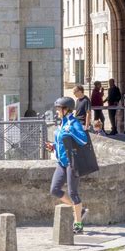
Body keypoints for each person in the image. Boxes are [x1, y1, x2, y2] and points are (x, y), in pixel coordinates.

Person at [46, 97, 88, 235]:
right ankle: (79, 211)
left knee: (73, 193)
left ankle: (78, 224)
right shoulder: (62, 122)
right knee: (54, 189)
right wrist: (53, 146)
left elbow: (83, 139)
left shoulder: (73, 123)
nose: (57, 111)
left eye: (59, 109)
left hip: (72, 162)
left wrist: (71, 131)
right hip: (62, 162)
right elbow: (62, 141)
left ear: (66, 109)